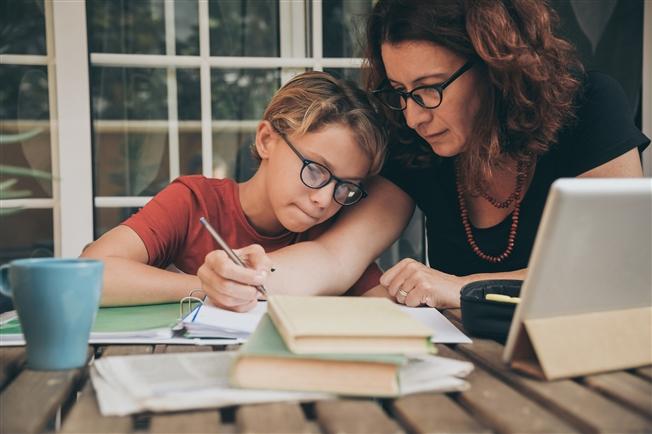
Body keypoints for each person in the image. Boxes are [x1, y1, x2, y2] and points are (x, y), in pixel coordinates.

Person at [198, 0, 649, 311]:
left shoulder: (588, 106)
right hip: (469, 367)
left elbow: (619, 272)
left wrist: (459, 287)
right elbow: (334, 258)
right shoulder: (415, 141)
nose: (413, 115)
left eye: (429, 89)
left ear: (496, 66)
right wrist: (248, 276)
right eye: (399, 91)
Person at [81, 71, 387, 310]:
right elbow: (87, 275)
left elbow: (383, 307)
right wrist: (207, 287)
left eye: (346, 187)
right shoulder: (194, 202)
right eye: (316, 170)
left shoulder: (334, 233)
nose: (324, 200)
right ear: (267, 139)